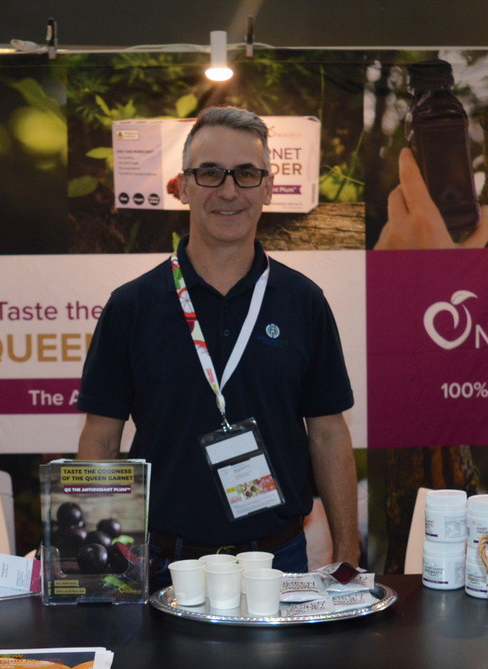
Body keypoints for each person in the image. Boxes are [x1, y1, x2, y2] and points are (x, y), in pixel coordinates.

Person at [76, 106, 359, 587]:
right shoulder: (131, 306)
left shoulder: (303, 301)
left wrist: (348, 552)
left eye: (246, 174)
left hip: (277, 564)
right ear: (183, 186)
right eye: (210, 173)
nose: (229, 191)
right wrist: (101, 558)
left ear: (268, 188)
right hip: (164, 567)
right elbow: (101, 438)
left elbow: (329, 434)